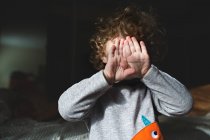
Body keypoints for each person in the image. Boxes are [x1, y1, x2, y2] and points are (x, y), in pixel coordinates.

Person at [58, 5, 193, 140]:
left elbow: (183, 105)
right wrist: (106, 78)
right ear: (103, 56)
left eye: (131, 50)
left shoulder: (150, 89)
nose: (124, 58)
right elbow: (66, 111)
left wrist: (148, 72)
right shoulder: (96, 91)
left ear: (144, 54)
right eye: (116, 51)